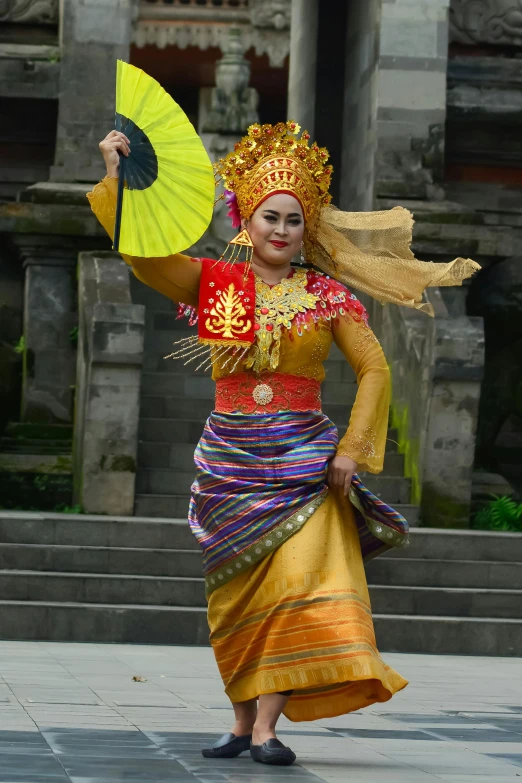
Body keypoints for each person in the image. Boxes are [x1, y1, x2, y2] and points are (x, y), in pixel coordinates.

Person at [88, 121, 479, 767]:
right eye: (270, 216)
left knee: (295, 587)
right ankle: (240, 722)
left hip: (306, 462)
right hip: (230, 462)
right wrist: (116, 175)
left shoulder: (326, 295)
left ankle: (268, 726)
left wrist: (351, 449)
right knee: (233, 595)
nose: (281, 230)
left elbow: (376, 367)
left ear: (307, 230)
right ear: (246, 217)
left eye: (293, 221)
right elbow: (143, 256)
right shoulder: (221, 286)